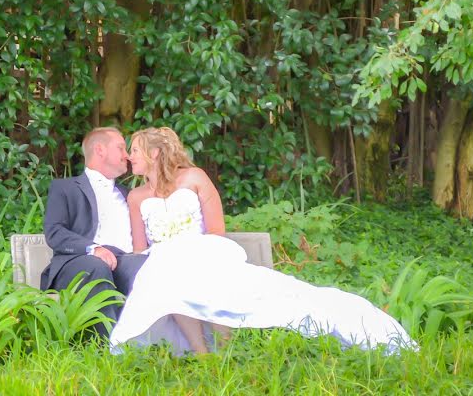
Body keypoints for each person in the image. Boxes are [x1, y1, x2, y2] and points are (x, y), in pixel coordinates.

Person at [109, 127, 415, 355]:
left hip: (204, 250)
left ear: (154, 153)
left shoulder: (195, 177)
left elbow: (215, 230)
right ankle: (202, 355)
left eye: (134, 150)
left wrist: (191, 252)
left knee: (199, 270)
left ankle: (225, 348)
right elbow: (140, 248)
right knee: (166, 267)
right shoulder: (136, 197)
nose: (128, 156)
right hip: (164, 260)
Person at [41, 127, 148, 337]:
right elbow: (54, 232)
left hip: (124, 259)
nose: (126, 155)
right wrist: (93, 248)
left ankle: (154, 345)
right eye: (120, 148)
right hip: (81, 260)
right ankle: (107, 348)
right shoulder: (65, 188)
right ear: (100, 150)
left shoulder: (130, 195)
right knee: (96, 267)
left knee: (148, 267)